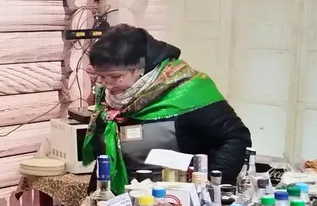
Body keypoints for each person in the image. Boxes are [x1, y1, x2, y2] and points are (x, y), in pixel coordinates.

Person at [81, 24, 251, 195]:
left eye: (116, 77)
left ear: (140, 68)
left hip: (175, 204)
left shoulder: (186, 90)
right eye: (101, 76)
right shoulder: (110, 96)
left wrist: (206, 189)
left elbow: (236, 138)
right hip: (121, 202)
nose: (107, 85)